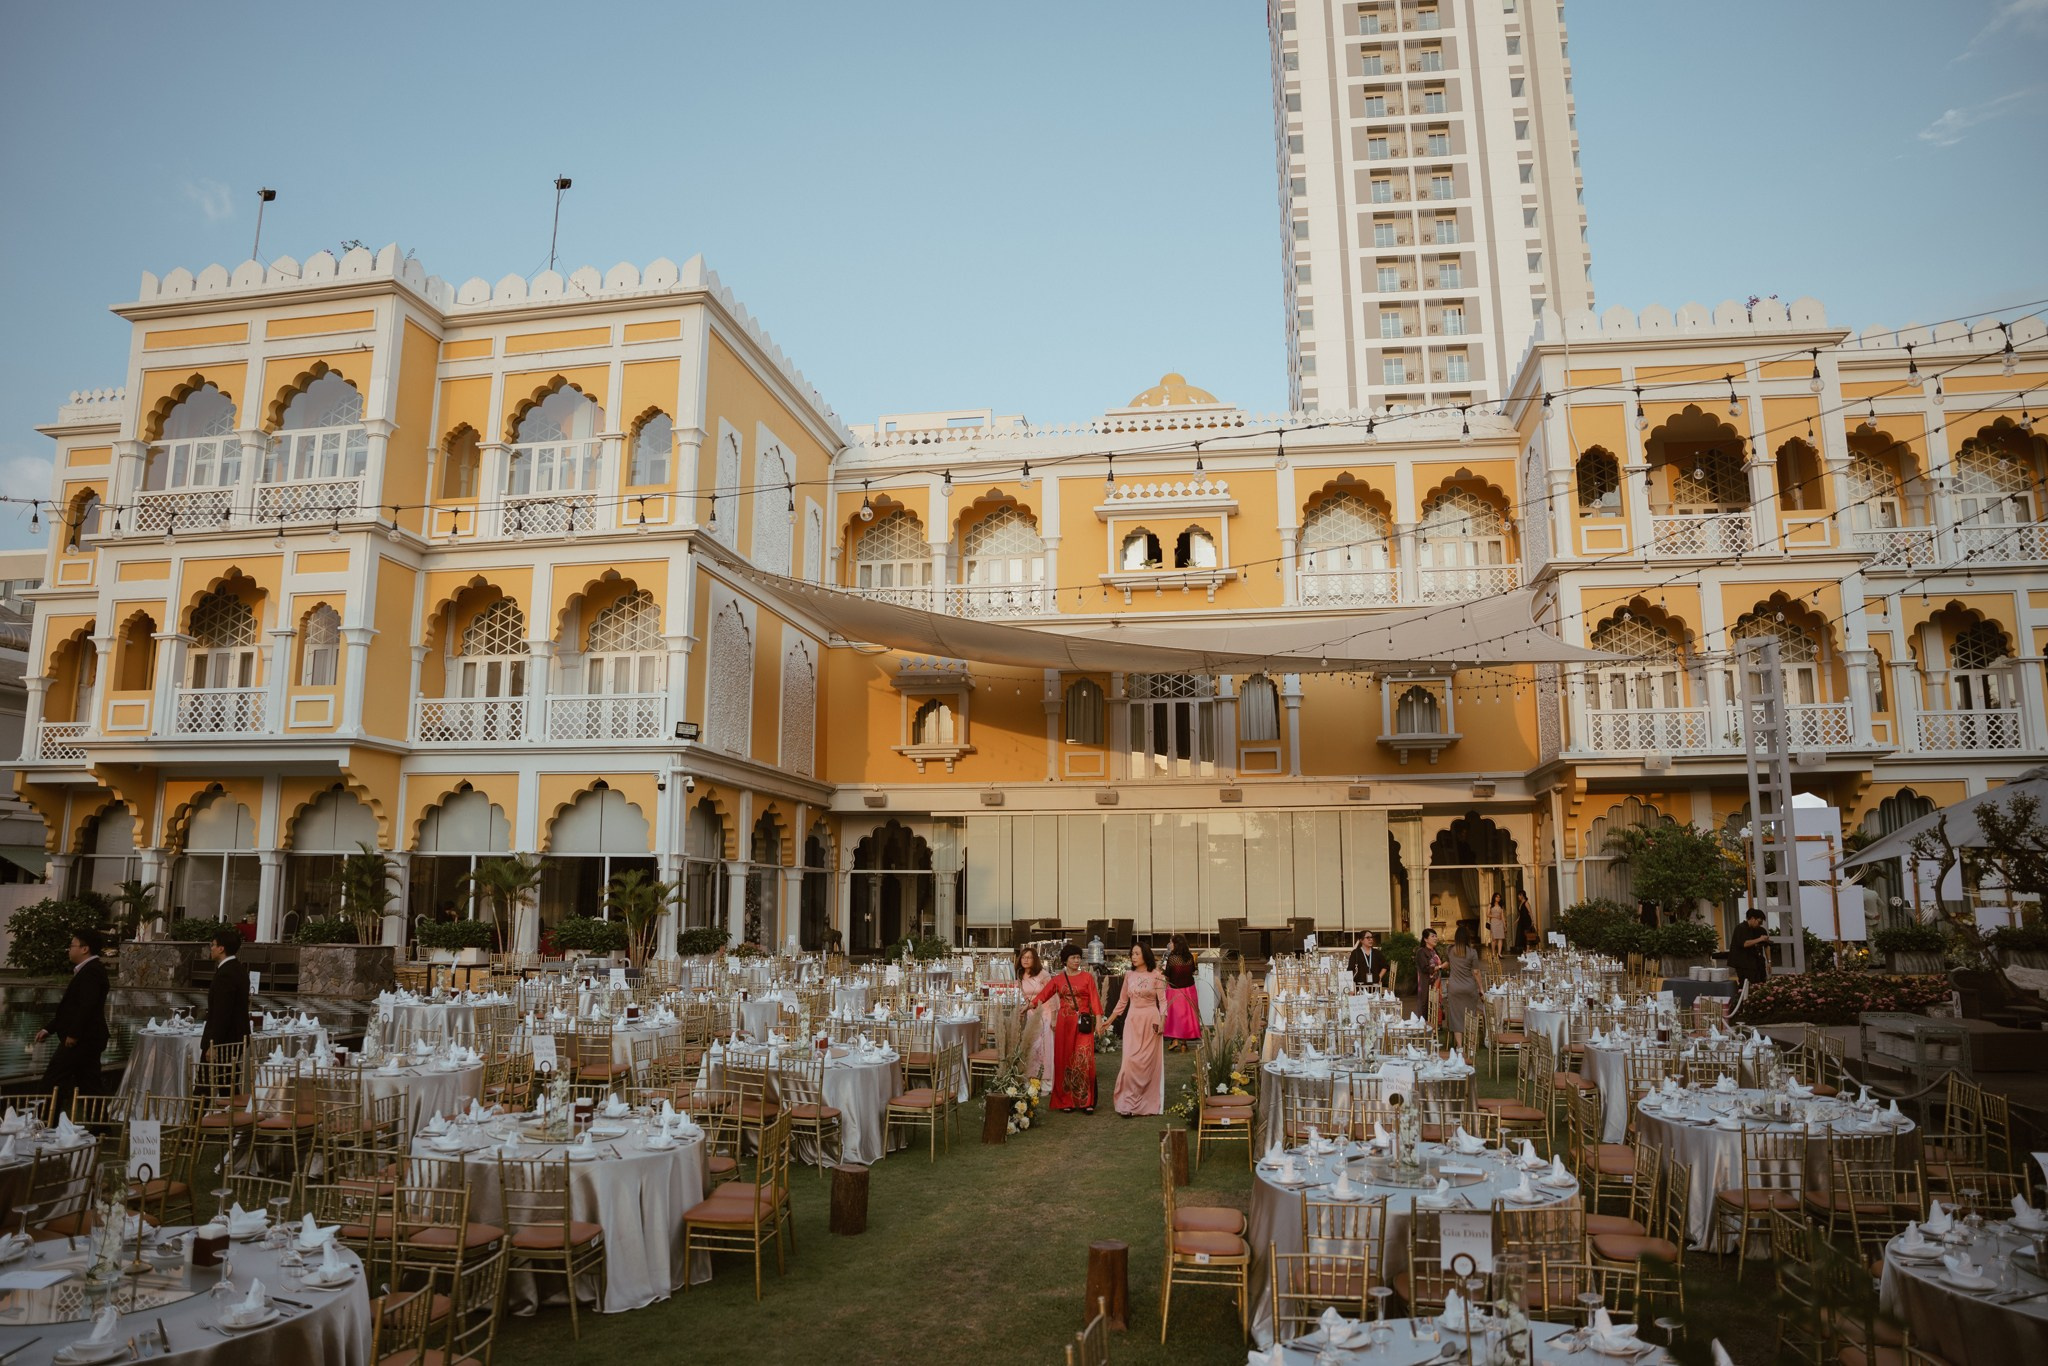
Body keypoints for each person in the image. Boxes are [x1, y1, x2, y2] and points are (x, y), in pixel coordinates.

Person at [36, 926, 110, 1115]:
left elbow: (87, 1006)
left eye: (72, 945)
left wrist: (73, 1034)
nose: (70, 949)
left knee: (54, 1078)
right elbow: (73, 1008)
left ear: (85, 949)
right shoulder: (89, 970)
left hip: (82, 1039)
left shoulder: (91, 971)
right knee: (89, 1081)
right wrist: (49, 1029)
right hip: (88, 1037)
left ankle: (46, 1122)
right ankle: (99, 1126)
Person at [1022, 943, 1102, 1113]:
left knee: (1084, 1059)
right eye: (1073, 958)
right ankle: (1066, 1100)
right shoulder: (1058, 979)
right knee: (1064, 1059)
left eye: (1078, 957)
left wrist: (1100, 1021)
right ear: (1065, 960)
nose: (1076, 960)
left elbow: (1095, 1000)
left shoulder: (1087, 977)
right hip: (1064, 1024)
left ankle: (1085, 1101)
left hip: (1083, 1024)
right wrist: (1029, 1006)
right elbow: (1043, 995)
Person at [1106, 942, 1165, 1117]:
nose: (1133, 956)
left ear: (1145, 955)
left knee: (1147, 1063)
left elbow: (1163, 1001)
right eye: (1132, 953)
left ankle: (1146, 1102)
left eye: (1137, 953)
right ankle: (1127, 1101)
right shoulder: (1129, 975)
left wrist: (1163, 1021)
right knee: (1129, 1062)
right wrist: (1108, 1021)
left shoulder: (1157, 975)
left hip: (1151, 1020)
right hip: (1132, 1021)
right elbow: (1122, 1002)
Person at [202, 926, 252, 1063]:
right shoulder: (239, 969)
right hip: (236, 1038)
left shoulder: (226, 974)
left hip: (225, 1042)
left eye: (213, 945)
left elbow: (222, 1012)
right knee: (230, 1081)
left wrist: (214, 1044)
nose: (211, 948)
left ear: (221, 948)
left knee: (211, 1082)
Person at [1015, 945, 1056, 1085]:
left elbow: (1053, 994)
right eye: (1023, 957)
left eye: (1029, 958)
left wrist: (1054, 1017)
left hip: (1046, 1011)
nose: (1025, 960)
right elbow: (1024, 996)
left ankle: (1046, 1078)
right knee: (1032, 1045)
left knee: (1045, 1045)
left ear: (1035, 960)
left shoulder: (1043, 974)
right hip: (1031, 1013)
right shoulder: (1020, 975)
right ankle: (1032, 1076)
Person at [1443, 921, 1487, 1049]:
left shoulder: (1450, 950)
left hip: (1454, 988)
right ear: (1468, 938)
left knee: (1456, 1016)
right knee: (1471, 1015)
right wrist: (1481, 988)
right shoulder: (1472, 952)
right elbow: (1476, 972)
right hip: (1469, 987)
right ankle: (1471, 1045)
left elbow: (1448, 964)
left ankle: (1460, 1046)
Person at [1161, 935, 1200, 1051]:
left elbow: (1168, 974)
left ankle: (1175, 1040)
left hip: (1175, 990)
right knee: (1186, 1017)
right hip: (1189, 990)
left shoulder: (1172, 958)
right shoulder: (1189, 957)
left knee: (1175, 1017)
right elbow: (1192, 970)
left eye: (1171, 942)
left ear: (1176, 944)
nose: (1169, 945)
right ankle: (1184, 1043)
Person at [1732, 909, 1772, 988]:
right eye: (1759, 922)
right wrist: (1760, 939)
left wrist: (1769, 961)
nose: (1760, 925)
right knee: (1746, 986)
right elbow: (1744, 943)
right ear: (1753, 918)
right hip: (1744, 964)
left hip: (1758, 963)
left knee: (1761, 984)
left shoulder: (1761, 930)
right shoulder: (1741, 928)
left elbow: (1766, 946)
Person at [1416, 928, 1445, 1029]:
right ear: (1425, 939)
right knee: (1426, 1006)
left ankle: (1436, 1026)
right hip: (1426, 984)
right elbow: (1425, 968)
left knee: (1436, 1005)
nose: (1435, 938)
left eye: (1436, 936)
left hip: (1436, 984)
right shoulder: (1421, 952)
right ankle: (1425, 1027)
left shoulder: (1434, 951)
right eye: (1432, 936)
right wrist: (1441, 967)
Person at [1485, 892, 1507, 957]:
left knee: (1500, 938)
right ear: (1494, 897)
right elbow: (1487, 914)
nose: (1498, 898)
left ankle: (1499, 953)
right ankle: (1493, 953)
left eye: (1499, 897)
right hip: (1493, 922)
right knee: (1494, 938)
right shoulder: (1490, 905)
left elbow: (1502, 916)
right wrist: (1495, 916)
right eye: (1497, 897)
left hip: (1500, 923)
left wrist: (1504, 925)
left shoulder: (1501, 906)